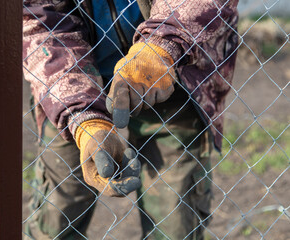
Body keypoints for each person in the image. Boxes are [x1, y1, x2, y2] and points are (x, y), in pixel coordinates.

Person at [23, 0, 239, 239]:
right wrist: (85, 121)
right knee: (59, 211)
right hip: (69, 81)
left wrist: (162, 47)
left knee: (174, 217)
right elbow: (39, 23)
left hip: (177, 70)